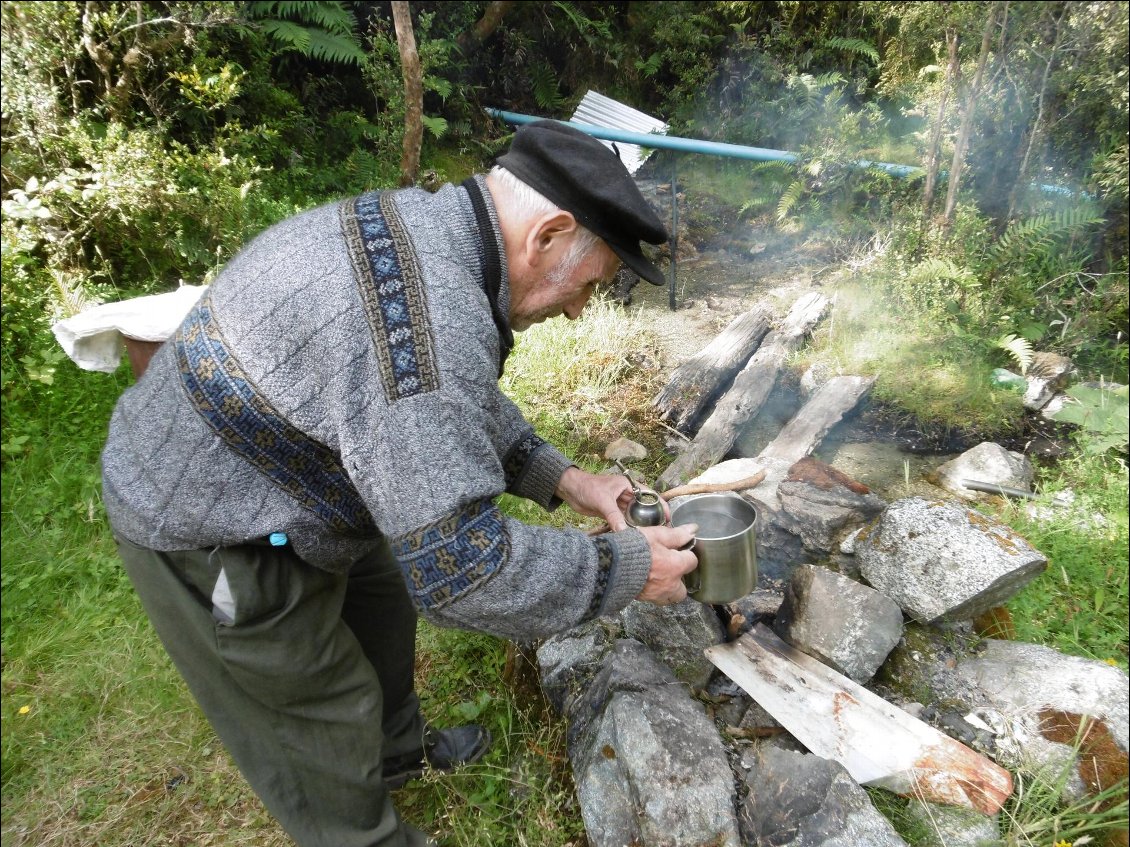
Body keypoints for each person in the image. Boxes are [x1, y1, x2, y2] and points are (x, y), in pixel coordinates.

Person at [100, 119, 699, 847]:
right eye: (591, 283)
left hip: (291, 463)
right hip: (208, 512)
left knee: (380, 600)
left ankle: (396, 752)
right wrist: (629, 567)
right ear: (549, 234)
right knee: (314, 703)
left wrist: (568, 479)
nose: (579, 308)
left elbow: (447, 397)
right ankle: (363, 831)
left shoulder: (438, 229)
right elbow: (463, 570)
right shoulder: (428, 320)